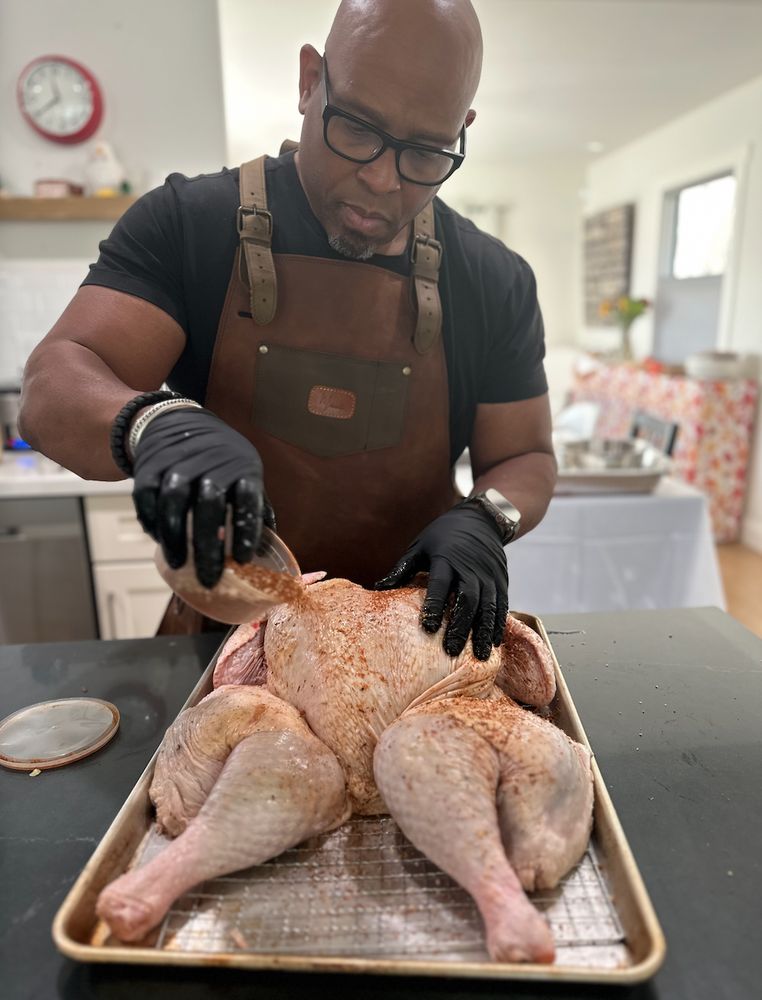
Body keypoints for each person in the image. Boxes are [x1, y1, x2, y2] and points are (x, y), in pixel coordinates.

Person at [18, 0, 556, 661]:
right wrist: (152, 424)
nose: (382, 179)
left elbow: (527, 456)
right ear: (309, 81)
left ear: (462, 131)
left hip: (409, 649)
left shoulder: (493, 279)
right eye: (357, 127)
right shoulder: (189, 224)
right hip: (226, 641)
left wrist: (488, 516)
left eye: (425, 152)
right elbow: (53, 383)